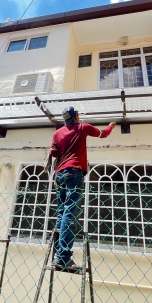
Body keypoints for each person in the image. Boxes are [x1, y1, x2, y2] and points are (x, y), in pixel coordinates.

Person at [49, 106, 116, 270]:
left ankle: (58, 253)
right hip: (74, 173)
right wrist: (111, 126)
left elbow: (53, 153)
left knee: (61, 212)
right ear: (76, 116)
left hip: (60, 174)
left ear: (65, 118)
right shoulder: (83, 127)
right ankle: (63, 256)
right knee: (70, 213)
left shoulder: (57, 133)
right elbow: (103, 134)